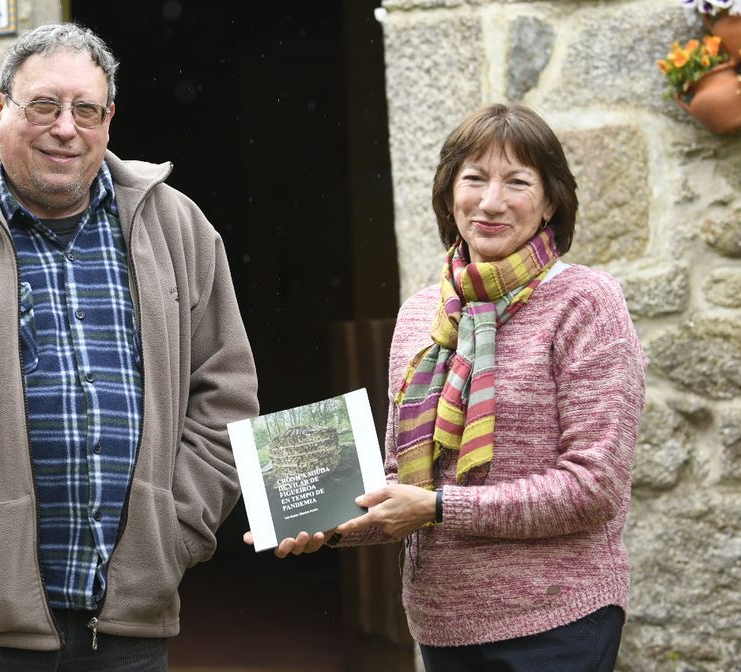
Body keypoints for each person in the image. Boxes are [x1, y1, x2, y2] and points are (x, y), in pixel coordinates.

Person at [0, 22, 258, 671]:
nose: (66, 127)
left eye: (85, 109)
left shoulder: (177, 227)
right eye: (44, 106)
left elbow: (225, 396)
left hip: (124, 632)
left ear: (109, 119)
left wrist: (175, 532)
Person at [254, 103, 646, 671]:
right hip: (442, 625)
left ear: (551, 201)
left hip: (558, 620)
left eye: (517, 181)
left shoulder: (585, 303)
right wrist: (327, 522)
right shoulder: (419, 316)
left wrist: (439, 508)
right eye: (474, 179)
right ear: (448, 194)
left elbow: (595, 486)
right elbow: (402, 484)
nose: (491, 201)